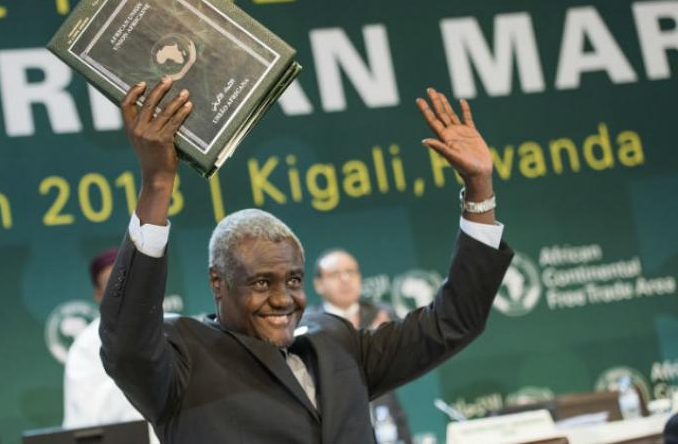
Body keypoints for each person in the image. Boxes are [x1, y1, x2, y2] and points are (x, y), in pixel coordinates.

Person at [99, 79, 513, 442]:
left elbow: (454, 320)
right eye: (262, 283)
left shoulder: (338, 342)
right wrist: (157, 183)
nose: (284, 298)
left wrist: (479, 190)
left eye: (293, 280)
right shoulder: (184, 358)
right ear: (218, 282)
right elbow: (127, 342)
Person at [309, 248, 413, 444]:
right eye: (335, 274)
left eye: (351, 271)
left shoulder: (383, 315)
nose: (345, 279)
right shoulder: (309, 326)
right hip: (337, 426)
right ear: (318, 284)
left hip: (387, 419)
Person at [63, 247, 146, 427]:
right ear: (99, 295)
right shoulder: (86, 346)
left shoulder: (169, 325)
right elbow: (83, 420)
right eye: (112, 283)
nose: (122, 290)